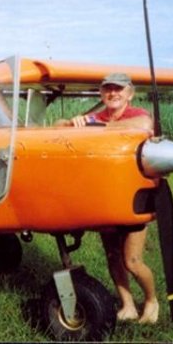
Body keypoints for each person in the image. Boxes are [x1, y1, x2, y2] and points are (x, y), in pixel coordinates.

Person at [56, 72, 159, 324]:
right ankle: (126, 306)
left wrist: (95, 127)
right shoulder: (96, 117)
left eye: (118, 89)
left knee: (132, 261)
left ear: (129, 94)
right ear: (101, 94)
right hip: (105, 199)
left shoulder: (137, 116)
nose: (113, 94)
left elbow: (143, 126)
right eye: (107, 89)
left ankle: (151, 301)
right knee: (113, 257)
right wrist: (73, 123)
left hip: (133, 199)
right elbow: (57, 127)